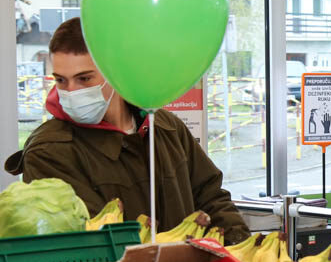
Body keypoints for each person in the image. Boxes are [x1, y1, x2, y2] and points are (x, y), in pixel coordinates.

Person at [3, 18, 248, 242]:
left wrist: (240, 250)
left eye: (84, 79)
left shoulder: (166, 127)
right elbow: (90, 243)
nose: (71, 91)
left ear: (116, 72)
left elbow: (212, 197)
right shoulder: (50, 151)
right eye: (61, 80)